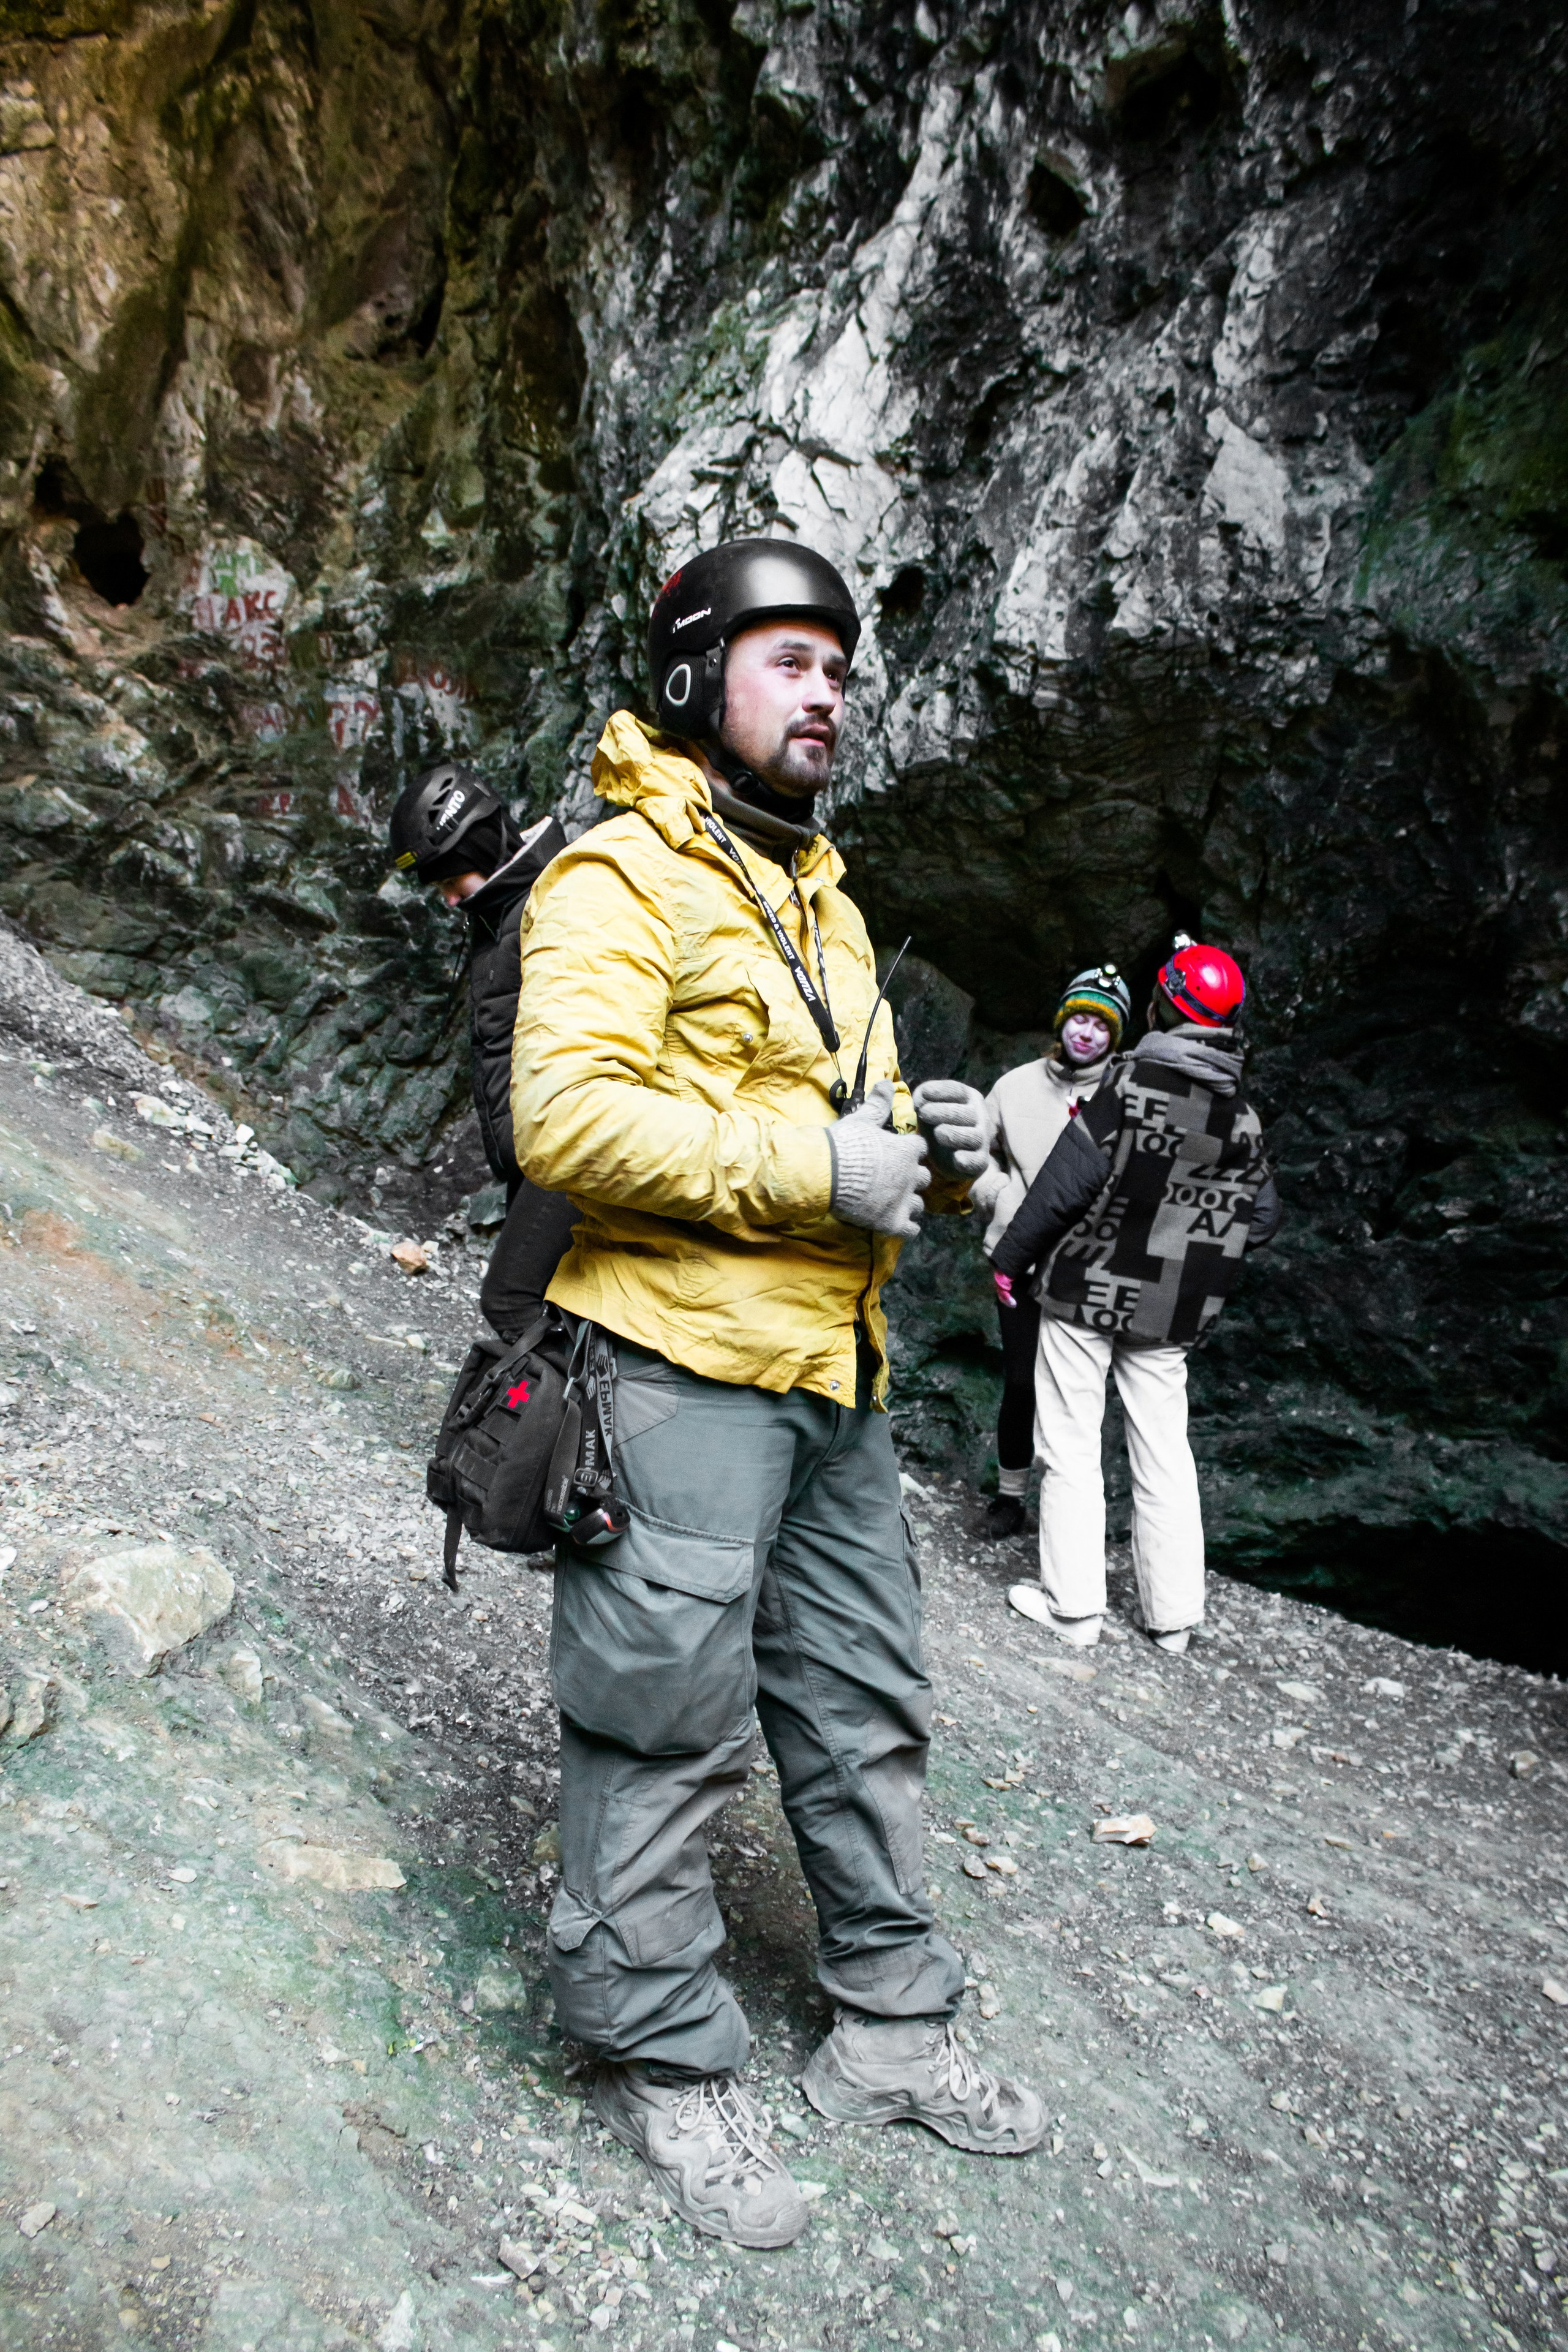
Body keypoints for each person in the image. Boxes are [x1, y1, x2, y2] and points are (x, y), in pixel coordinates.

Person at [510, 538, 1045, 2250]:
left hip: (835, 1380)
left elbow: (856, 1125)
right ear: (694, 677)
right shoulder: (614, 876)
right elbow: (565, 1122)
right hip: (675, 1376)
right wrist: (819, 1166)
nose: (829, 694)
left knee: (860, 1702)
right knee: (662, 1727)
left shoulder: (816, 889)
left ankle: (892, 2024)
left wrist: (935, 1155)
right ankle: (669, 2060)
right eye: (789, 661)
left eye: (839, 667)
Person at [990, 936, 1281, 1656]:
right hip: (1171, 1311)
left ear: (1165, 1006)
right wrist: (1191, 1248)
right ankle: (1174, 1619)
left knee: (1070, 1444)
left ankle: (1074, 1609)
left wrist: (1011, 1260)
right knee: (1164, 1454)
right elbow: (1264, 1215)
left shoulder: (1131, 1083)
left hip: (1083, 1292)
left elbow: (1066, 1186)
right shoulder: (1239, 1115)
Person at [387, 766, 576, 1340]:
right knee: (555, 1310)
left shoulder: (556, 903)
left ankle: (559, 1426)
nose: (446, 900)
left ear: (479, 844)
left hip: (566, 1156)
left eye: (450, 879)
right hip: (535, 1160)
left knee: (512, 1302)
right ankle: (554, 1422)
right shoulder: (499, 912)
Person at [970, 965, 1131, 1540]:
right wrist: (995, 1193)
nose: (1087, 1033)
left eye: (1102, 1026)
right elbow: (971, 1151)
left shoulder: (1125, 1095)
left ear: (1116, 1038)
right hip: (1018, 1257)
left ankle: (1076, 1516)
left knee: (1078, 1397)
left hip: (1089, 1267)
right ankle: (1011, 1497)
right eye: (1080, 1019)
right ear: (1063, 1021)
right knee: (1020, 1382)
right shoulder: (1014, 1086)